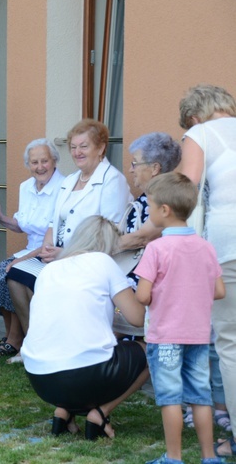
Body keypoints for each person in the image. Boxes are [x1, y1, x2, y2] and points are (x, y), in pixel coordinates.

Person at [6, 119, 131, 352]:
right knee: (15, 275)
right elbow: (55, 222)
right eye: (73, 147)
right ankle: (35, 343)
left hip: (89, 259)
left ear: (101, 147)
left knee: (41, 282)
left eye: (83, 146)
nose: (77, 152)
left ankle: (53, 345)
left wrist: (65, 253)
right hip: (58, 255)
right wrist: (46, 248)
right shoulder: (72, 179)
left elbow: (110, 234)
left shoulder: (112, 180)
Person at [21, 215, 149, 440]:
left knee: (86, 355)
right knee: (151, 350)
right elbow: (138, 318)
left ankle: (64, 410)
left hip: (40, 379)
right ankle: (101, 413)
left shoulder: (49, 270)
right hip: (85, 374)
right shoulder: (103, 262)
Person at [132, 172, 224, 464]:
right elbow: (219, 290)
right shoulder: (206, 247)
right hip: (198, 335)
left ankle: (173, 457)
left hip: (166, 336)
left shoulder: (156, 248)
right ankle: (209, 456)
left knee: (170, 398)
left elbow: (143, 296)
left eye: (150, 205)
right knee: (200, 396)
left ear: (164, 210)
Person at [177, 83, 236, 459]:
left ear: (194, 117)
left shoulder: (200, 133)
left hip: (229, 246)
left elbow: (186, 190)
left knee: (231, 343)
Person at [0, 139, 65, 357]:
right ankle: (13, 336)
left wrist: (19, 261)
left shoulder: (63, 187)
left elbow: (53, 237)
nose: (40, 167)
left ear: (54, 161)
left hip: (52, 252)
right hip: (29, 250)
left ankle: (15, 339)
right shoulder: (26, 187)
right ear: (28, 165)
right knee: (1, 272)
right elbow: (22, 225)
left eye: (44, 161)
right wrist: (0, 217)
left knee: (9, 270)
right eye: (34, 162)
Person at [112, 132, 181, 339]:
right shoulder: (147, 197)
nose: (131, 169)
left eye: (135, 163)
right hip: (139, 273)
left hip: (150, 278)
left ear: (155, 169)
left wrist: (95, 247)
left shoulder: (165, 198)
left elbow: (142, 237)